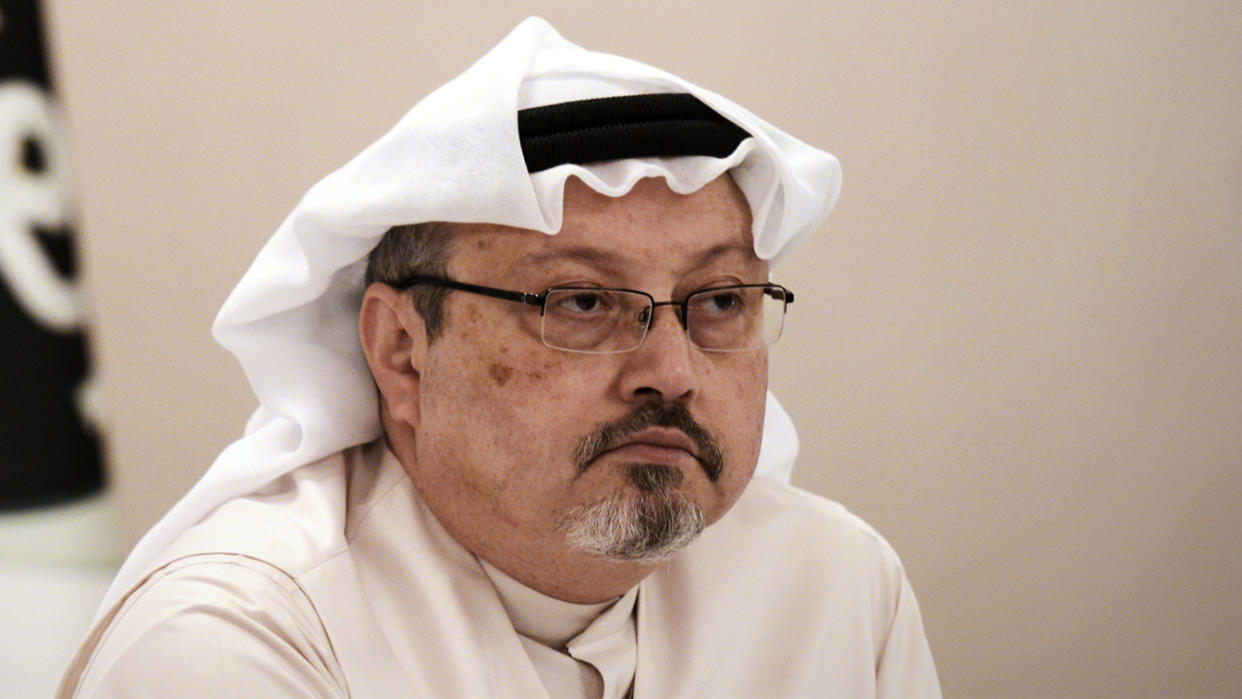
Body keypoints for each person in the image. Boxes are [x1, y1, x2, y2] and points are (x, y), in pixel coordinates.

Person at [60, 18, 939, 697]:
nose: (671, 370)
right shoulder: (238, 638)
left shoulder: (838, 586)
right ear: (402, 355)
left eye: (717, 303)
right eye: (583, 302)